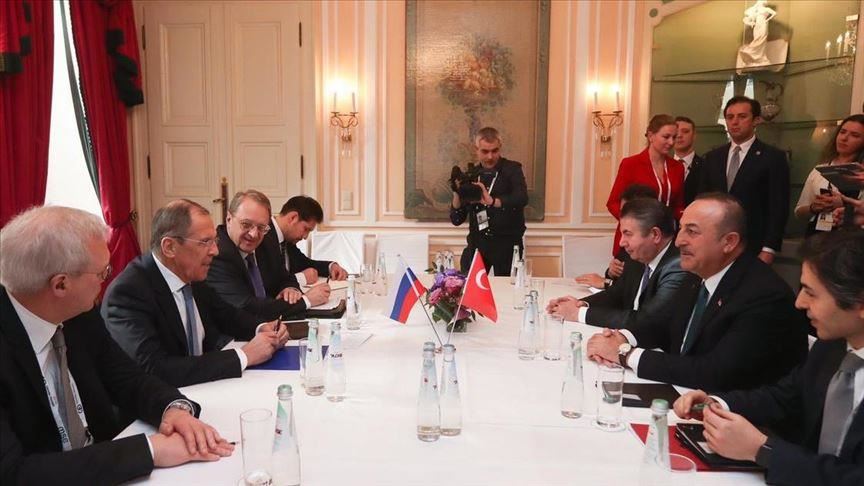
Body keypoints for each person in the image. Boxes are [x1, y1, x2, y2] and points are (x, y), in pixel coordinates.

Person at [0, 206, 233, 485]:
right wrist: (150, 451)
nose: (106, 281)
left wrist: (173, 408)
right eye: (102, 273)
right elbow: (13, 473)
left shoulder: (78, 314)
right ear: (60, 285)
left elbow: (126, 377)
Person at [673, 230, 864, 486]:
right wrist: (716, 404)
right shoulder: (831, 346)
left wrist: (763, 450)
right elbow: (784, 398)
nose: (799, 303)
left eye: (811, 293)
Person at [586, 193, 808, 391]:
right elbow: (663, 325)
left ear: (729, 242)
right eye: (681, 228)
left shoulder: (763, 296)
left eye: (691, 231)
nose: (679, 240)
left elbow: (715, 372)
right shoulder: (696, 276)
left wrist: (626, 354)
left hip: (735, 414)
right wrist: (623, 337)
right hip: (686, 396)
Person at [102, 200, 288, 387]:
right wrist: (244, 355)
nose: (215, 251)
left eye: (215, 241)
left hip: (205, 387)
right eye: (205, 242)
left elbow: (227, 315)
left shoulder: (191, 274)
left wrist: (261, 328)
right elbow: (155, 369)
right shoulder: (128, 293)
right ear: (170, 247)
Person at [548, 198, 698, 329]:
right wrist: (580, 304)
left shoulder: (678, 266)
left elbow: (647, 320)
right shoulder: (638, 257)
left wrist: (579, 314)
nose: (621, 242)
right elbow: (617, 294)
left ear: (655, 235)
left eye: (628, 234)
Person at [207, 190, 331, 321]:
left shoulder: (266, 241)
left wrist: (290, 289)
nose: (254, 234)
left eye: (261, 227)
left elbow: (285, 277)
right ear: (229, 219)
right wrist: (306, 300)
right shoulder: (218, 255)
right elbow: (248, 308)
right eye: (246, 224)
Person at [699, 95, 790, 263]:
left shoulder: (772, 157)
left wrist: (769, 248)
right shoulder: (713, 157)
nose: (735, 122)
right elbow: (703, 201)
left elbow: (778, 206)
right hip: (715, 243)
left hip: (753, 244)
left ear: (756, 120)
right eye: (730, 117)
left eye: (742, 116)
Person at [450, 126, 528, 276]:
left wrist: (493, 201)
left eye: (494, 151)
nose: (490, 156)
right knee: (471, 288)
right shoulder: (471, 175)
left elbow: (522, 198)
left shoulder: (512, 170)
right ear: (476, 149)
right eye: (485, 151)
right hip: (477, 244)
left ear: (500, 147)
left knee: (507, 288)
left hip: (507, 243)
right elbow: (456, 219)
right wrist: (456, 193)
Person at [606, 114, 685, 254]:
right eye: (666, 137)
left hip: (665, 238)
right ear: (651, 136)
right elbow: (613, 203)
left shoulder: (677, 167)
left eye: (674, 137)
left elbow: (678, 205)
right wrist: (635, 223)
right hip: (636, 238)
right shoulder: (631, 164)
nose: (671, 142)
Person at [574, 184, 657, 290]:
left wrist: (607, 283)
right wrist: (611, 272)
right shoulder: (629, 242)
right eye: (622, 211)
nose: (621, 242)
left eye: (626, 211)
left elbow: (638, 291)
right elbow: (622, 279)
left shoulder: (660, 254)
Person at [794, 114, 864, 236]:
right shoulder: (819, 170)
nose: (844, 138)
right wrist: (813, 207)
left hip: (852, 239)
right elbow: (799, 212)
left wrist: (845, 205)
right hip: (817, 236)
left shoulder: (861, 174)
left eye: (854, 135)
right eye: (842, 132)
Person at [258, 195, 349, 289]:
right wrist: (301, 278)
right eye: (306, 229)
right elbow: (264, 284)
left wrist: (330, 267)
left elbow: (305, 263)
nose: (305, 237)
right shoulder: (262, 235)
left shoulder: (287, 240)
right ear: (293, 218)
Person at [673, 116, 705, 205]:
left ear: (694, 135)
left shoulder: (706, 166)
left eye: (685, 131)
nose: (679, 135)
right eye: (675, 132)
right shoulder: (662, 165)